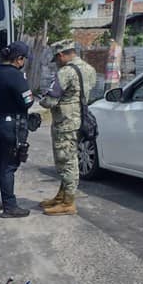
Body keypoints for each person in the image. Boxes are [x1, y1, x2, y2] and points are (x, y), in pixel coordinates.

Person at [39, 39, 96, 216]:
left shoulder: (65, 73)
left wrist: (41, 100)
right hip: (79, 120)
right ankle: (61, 196)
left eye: (57, 59)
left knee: (66, 161)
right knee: (69, 158)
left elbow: (50, 100)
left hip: (65, 123)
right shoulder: (89, 69)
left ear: (62, 55)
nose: (56, 63)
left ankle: (68, 203)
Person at [0, 41, 34, 218]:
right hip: (12, 125)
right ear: (18, 59)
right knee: (8, 167)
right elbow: (27, 102)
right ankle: (10, 206)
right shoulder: (16, 76)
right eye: (23, 59)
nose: (24, 62)